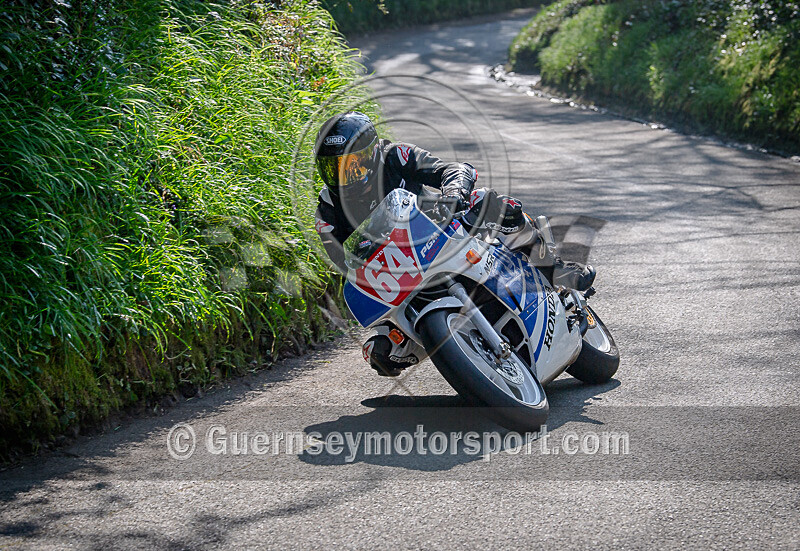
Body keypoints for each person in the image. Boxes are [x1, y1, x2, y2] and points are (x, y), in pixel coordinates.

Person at [314, 112, 595, 376]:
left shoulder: (396, 156)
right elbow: (346, 264)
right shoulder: (327, 211)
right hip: (401, 279)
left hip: (440, 233)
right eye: (334, 168)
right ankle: (461, 355)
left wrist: (454, 196)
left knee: (493, 203)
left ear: (372, 152)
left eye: (353, 164)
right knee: (380, 353)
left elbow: (452, 170)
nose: (345, 176)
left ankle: (554, 269)